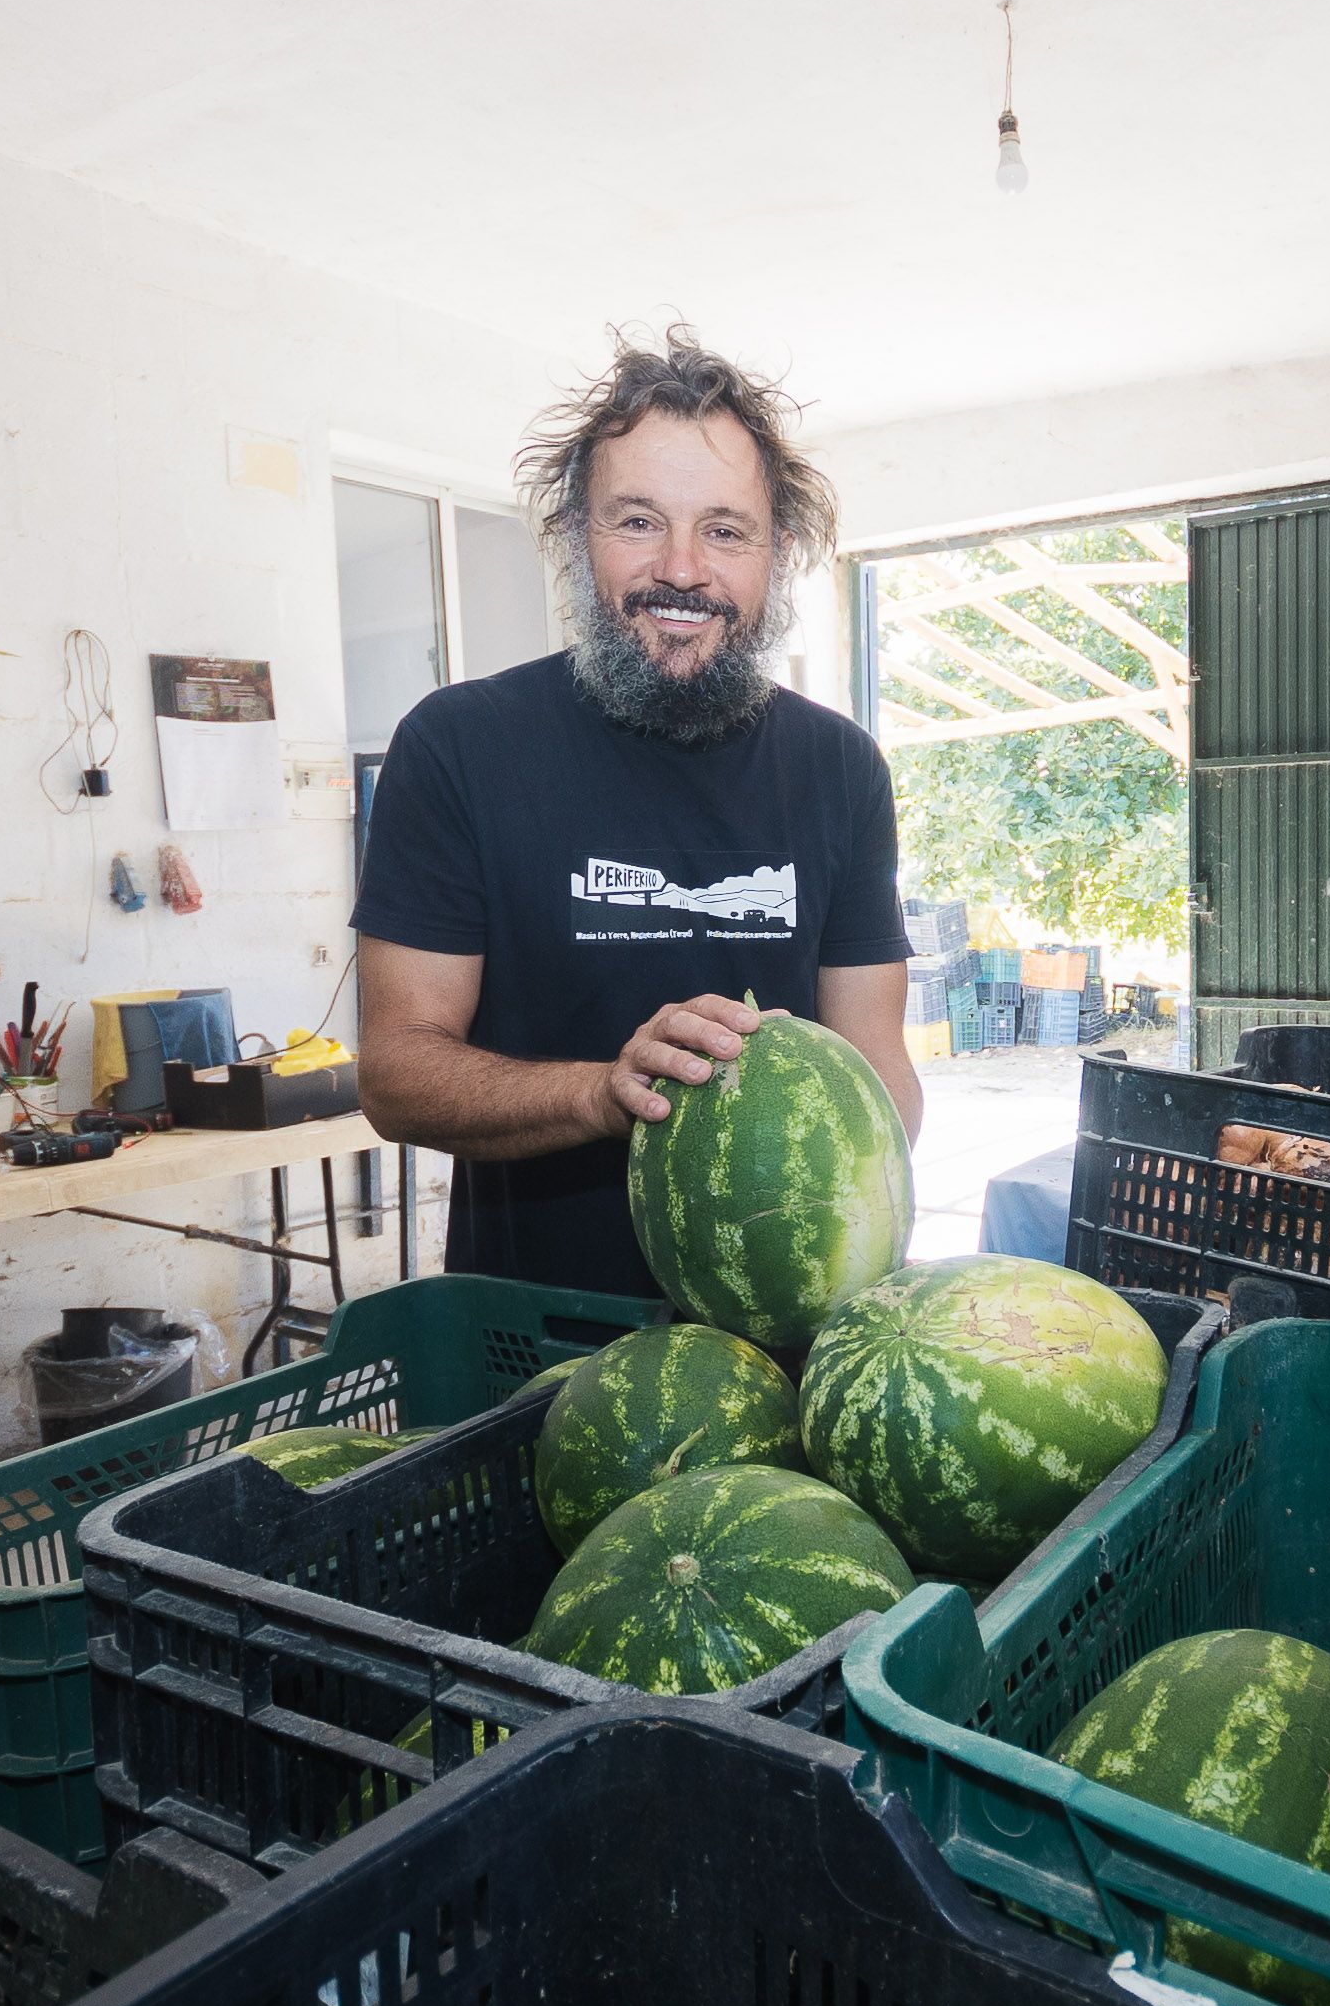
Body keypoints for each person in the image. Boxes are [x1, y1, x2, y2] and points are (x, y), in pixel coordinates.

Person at [352, 328, 921, 1300]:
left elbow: (881, 1068)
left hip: (787, 1331)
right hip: (533, 1346)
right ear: (579, 535)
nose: (685, 569)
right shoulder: (460, 745)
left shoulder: (840, 768)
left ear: (775, 551)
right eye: (639, 521)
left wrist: (828, 1150)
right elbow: (395, 1073)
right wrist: (602, 1091)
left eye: (726, 530)